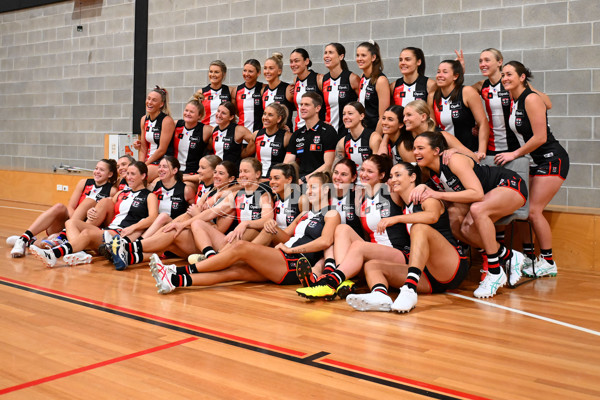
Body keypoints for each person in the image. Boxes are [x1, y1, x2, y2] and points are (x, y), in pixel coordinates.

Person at [149, 172, 340, 294]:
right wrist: (270, 226)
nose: (308, 191)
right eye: (308, 187)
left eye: (313, 187)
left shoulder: (331, 213)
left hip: (295, 262)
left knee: (240, 247)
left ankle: (177, 270)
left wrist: (291, 251)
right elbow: (287, 236)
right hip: (282, 258)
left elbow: (325, 241)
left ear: (325, 190)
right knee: (233, 272)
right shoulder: (304, 214)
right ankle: (174, 281)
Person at [410, 131, 528, 298]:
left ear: (436, 151)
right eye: (414, 148)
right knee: (457, 224)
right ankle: (507, 254)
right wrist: (422, 188)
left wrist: (437, 194)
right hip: (486, 198)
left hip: (509, 185)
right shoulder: (429, 172)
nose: (415, 152)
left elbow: (477, 194)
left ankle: (495, 271)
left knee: (478, 209)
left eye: (420, 148)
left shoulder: (453, 160)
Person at [346, 162, 468, 313]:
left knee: (419, 227)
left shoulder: (427, 197)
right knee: (372, 265)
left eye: (398, 175)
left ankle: (409, 289)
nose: (393, 179)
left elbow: (432, 216)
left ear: (413, 177)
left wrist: (397, 219)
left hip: (450, 266)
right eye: (391, 176)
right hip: (426, 276)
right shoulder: (404, 206)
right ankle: (380, 295)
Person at [296, 155, 411, 300]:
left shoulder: (391, 192)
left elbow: (410, 186)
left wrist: (422, 187)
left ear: (382, 175)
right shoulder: (362, 198)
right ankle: (343, 280)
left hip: (397, 253)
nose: (364, 174)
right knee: (341, 229)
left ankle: (331, 281)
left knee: (357, 246)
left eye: (370, 171)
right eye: (362, 169)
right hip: (372, 254)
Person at [498, 61, 569, 278]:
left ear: (522, 77)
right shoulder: (517, 98)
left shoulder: (530, 98)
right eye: (503, 75)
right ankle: (529, 258)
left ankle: (548, 261)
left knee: (534, 211)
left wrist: (514, 154)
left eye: (509, 74)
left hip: (552, 159)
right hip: (535, 161)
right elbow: (549, 102)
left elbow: (541, 137)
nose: (504, 78)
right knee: (523, 210)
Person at [106, 161, 237, 267]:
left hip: (210, 242)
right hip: (195, 233)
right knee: (169, 238)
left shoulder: (230, 197)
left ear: (231, 178)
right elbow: (193, 212)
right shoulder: (211, 192)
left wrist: (192, 217)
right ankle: (129, 258)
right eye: (215, 172)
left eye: (221, 173)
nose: (216, 176)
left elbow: (218, 229)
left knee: (173, 232)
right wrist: (180, 222)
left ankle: (128, 247)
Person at [29, 162, 158, 268]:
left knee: (87, 233)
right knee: (70, 222)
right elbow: (107, 207)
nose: (129, 177)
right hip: (108, 230)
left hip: (122, 234)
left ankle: (53, 254)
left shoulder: (149, 195)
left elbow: (153, 217)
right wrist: (93, 210)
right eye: (128, 174)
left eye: (133, 174)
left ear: (143, 176)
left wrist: (133, 228)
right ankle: (79, 252)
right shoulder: (120, 194)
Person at [10, 159, 118, 257]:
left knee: (44, 245)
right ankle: (24, 239)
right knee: (59, 207)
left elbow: (105, 215)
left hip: (85, 229)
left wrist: (76, 225)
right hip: (68, 225)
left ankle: (31, 242)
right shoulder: (84, 183)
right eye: (96, 168)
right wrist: (72, 223)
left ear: (110, 174)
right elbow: (70, 206)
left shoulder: (112, 191)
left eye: (101, 170)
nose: (97, 171)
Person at [429, 60, 489, 158]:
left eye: (445, 72)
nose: (440, 75)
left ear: (455, 76)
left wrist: (481, 151)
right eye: (438, 71)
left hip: (469, 152)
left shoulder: (467, 92)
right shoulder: (432, 96)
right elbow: (433, 128)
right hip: (445, 154)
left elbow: (483, 122)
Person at [283, 92, 337, 182]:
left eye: (307, 105)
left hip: (320, 181)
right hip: (299, 180)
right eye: (301, 104)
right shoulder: (297, 134)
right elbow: (287, 164)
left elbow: (328, 164)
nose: (302, 108)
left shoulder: (328, 131)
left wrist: (304, 179)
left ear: (317, 108)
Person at [402, 100, 480, 162]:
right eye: (404, 116)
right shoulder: (407, 138)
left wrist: (455, 151)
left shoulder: (442, 135)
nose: (404, 119)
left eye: (409, 115)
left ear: (423, 117)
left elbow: (474, 158)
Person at [251, 163, 309, 246]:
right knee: (250, 230)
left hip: (294, 242)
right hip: (276, 237)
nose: (271, 182)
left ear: (289, 179)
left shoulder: (302, 200)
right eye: (270, 179)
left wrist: (271, 228)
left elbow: (301, 230)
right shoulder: (275, 198)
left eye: (276, 178)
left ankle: (244, 254)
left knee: (269, 231)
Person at [142, 156, 195, 238]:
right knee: (143, 220)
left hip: (174, 227)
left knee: (163, 216)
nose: (160, 169)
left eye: (165, 167)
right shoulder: (154, 186)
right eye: (159, 166)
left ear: (175, 170)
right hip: (155, 226)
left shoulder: (186, 190)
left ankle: (140, 243)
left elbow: (192, 213)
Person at [173, 91, 213, 191]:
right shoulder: (176, 124)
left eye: (191, 112)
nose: (188, 114)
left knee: (184, 190)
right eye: (186, 110)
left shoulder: (206, 130)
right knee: (153, 185)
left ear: (199, 116)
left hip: (193, 174)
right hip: (174, 171)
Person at [139, 86, 176, 182]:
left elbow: (162, 150)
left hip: (162, 161)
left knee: (138, 178)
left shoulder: (166, 120)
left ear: (161, 104)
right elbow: (143, 148)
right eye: (149, 99)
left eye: (154, 100)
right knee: (126, 176)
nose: (149, 102)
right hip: (148, 161)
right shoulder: (144, 119)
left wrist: (145, 165)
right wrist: (140, 165)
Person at [322, 43, 360, 136]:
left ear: (341, 56)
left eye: (330, 52)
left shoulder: (352, 78)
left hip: (348, 133)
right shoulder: (324, 79)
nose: (326, 55)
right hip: (329, 133)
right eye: (325, 52)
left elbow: (363, 105)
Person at [245, 103, 292, 179]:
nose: (265, 117)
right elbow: (246, 154)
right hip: (258, 177)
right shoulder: (256, 134)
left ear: (279, 119)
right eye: (264, 114)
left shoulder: (287, 137)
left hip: (275, 179)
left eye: (270, 115)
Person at [334, 102, 382, 175]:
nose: (346, 117)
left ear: (361, 116)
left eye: (350, 113)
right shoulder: (342, 142)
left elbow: (378, 169)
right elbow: (336, 169)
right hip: (351, 184)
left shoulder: (373, 138)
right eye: (344, 114)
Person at [356, 41, 390, 132]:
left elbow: (383, 117)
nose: (359, 58)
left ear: (373, 57)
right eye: (357, 55)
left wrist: (376, 137)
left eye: (363, 55)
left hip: (374, 131)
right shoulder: (362, 76)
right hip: (363, 130)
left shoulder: (381, 80)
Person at [288, 48, 324, 130]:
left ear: (306, 61)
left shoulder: (319, 79)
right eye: (291, 61)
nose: (293, 64)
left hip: (317, 130)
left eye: (296, 61)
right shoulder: (295, 80)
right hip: (299, 129)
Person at [210, 102, 254, 167]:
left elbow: (255, 140)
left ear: (231, 117)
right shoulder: (214, 130)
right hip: (217, 170)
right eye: (218, 111)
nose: (219, 115)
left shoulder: (238, 130)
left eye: (223, 113)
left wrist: (245, 153)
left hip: (232, 171)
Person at [262, 52, 294, 129]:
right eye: (265, 68)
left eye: (271, 68)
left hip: (284, 135)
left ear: (279, 71)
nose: (267, 71)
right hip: (268, 135)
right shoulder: (263, 90)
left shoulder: (288, 89)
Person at [201, 60, 235, 126]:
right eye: (211, 71)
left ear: (223, 74)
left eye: (216, 72)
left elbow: (235, 113)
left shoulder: (231, 91)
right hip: (206, 131)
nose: (213, 75)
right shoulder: (201, 92)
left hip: (224, 132)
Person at [235, 59, 265, 133]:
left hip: (259, 134)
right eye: (245, 70)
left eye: (250, 71)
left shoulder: (263, 88)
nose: (247, 74)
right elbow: (236, 112)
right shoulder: (236, 90)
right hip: (241, 135)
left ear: (258, 73)